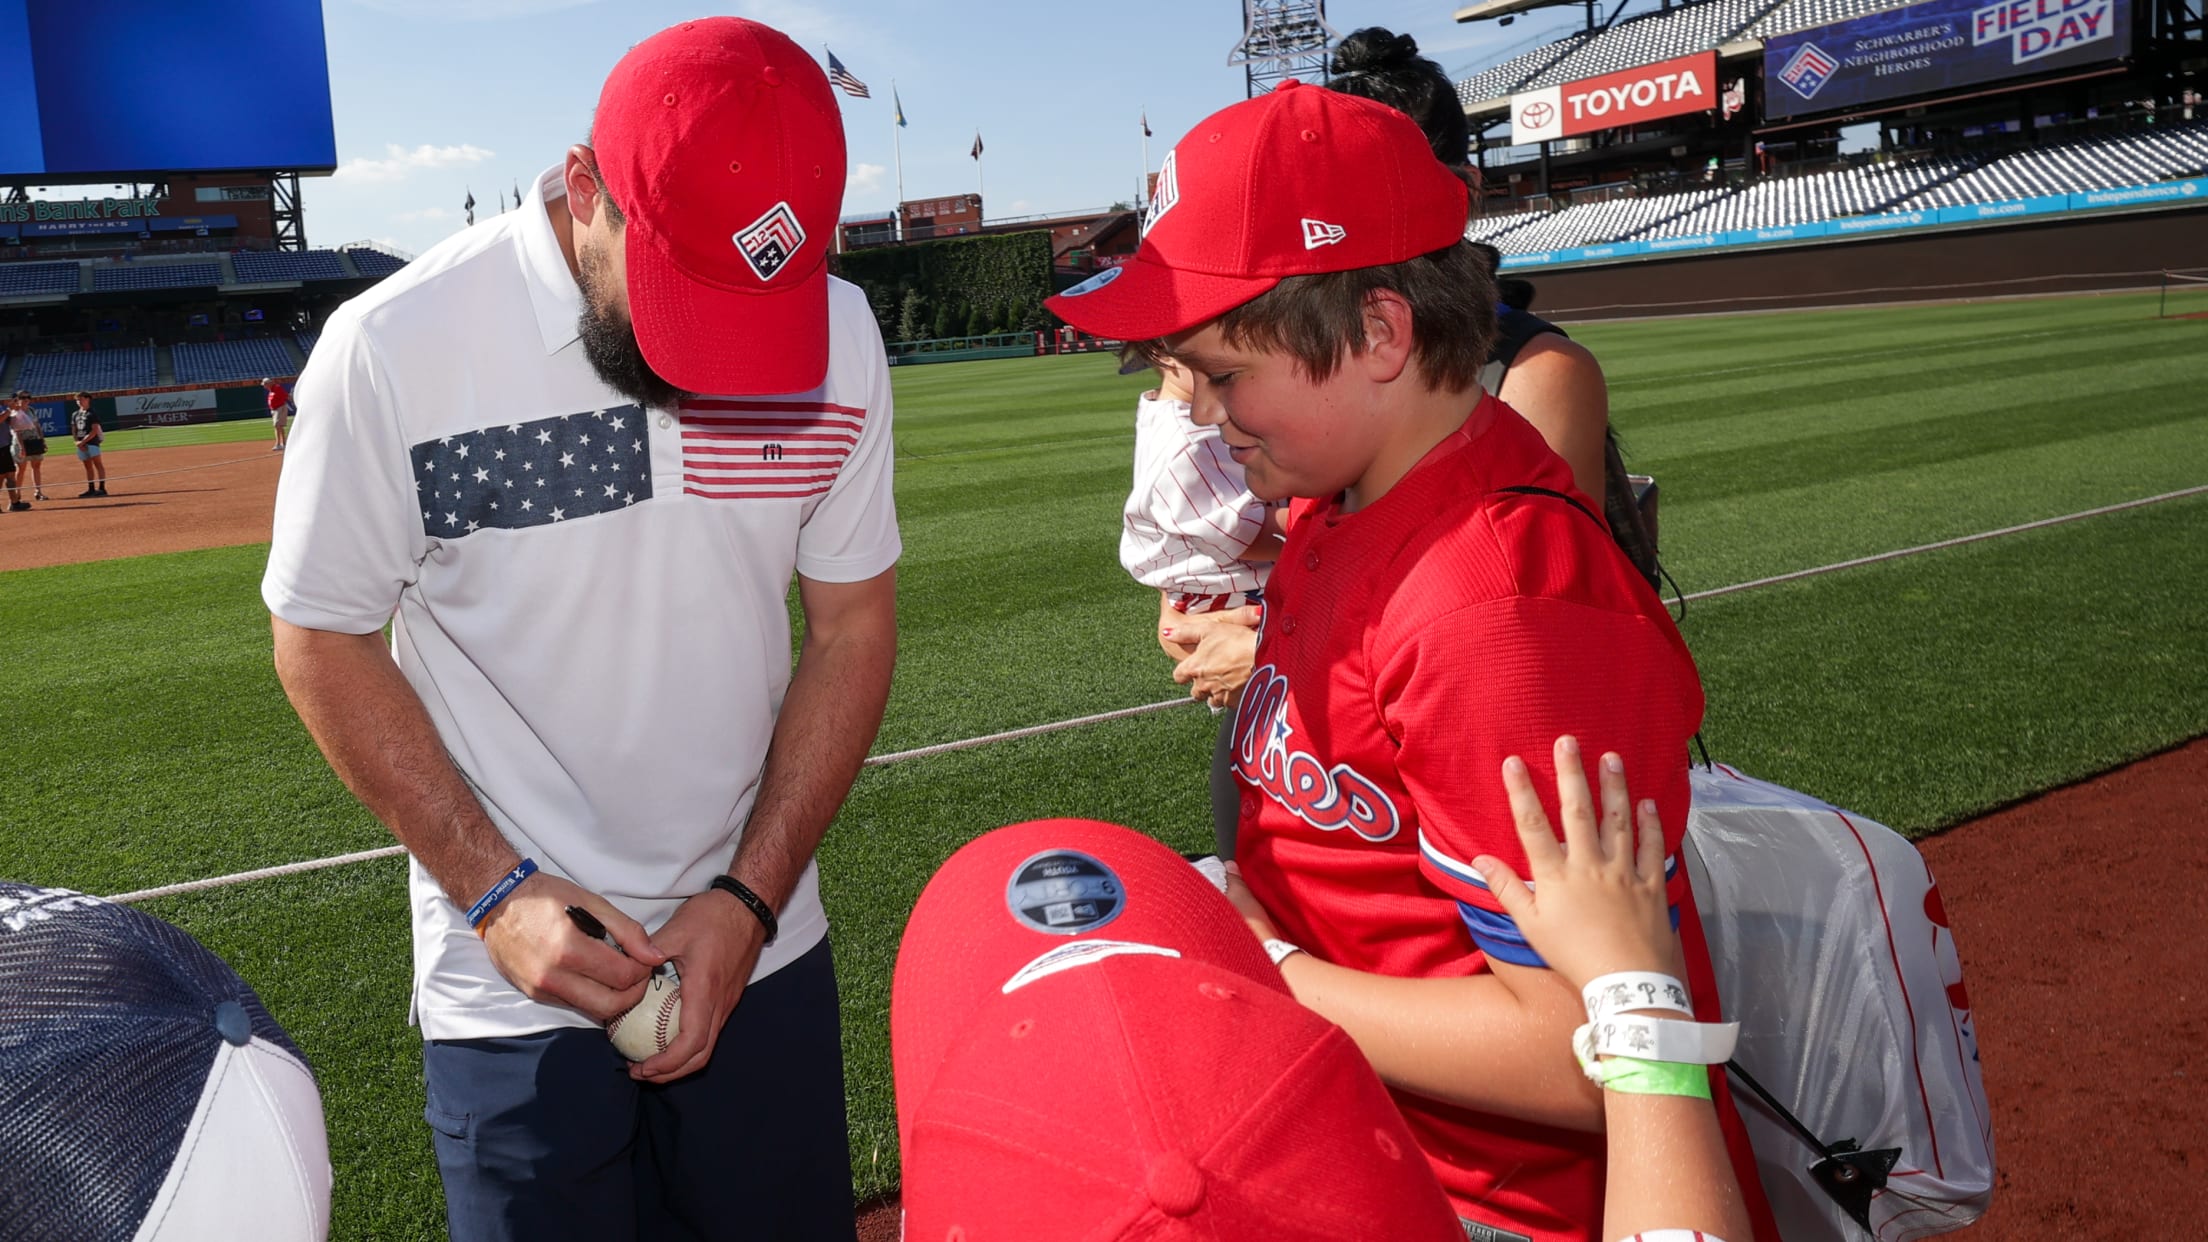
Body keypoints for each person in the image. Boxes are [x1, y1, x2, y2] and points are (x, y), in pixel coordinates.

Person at [1042, 83, 1773, 1242]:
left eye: (1227, 375)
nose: (1207, 415)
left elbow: (1594, 1055)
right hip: (1373, 1140)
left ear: (1381, 333)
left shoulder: (1499, 614)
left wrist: (1257, 967)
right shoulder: (1350, 499)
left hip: (1489, 1205)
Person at [261, 18, 897, 1242]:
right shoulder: (394, 349)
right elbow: (319, 637)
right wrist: (494, 892)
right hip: (511, 998)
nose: (710, 362)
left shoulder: (841, 335)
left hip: (760, 952)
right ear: (585, 186)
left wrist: (749, 900)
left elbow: (853, 628)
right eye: (682, 299)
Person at [1117, 351, 1282, 857]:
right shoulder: (1185, 443)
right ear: (1167, 356)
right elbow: (1253, 535)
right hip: (1235, 598)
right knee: (1272, 736)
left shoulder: (1168, 412)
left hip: (1216, 598)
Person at [5, 391, 38, 509]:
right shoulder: (11, 412)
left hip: (27, 441)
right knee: (15, 471)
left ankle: (17, 500)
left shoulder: (29, 410)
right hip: (15, 444)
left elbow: (34, 425)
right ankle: (15, 498)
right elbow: (17, 431)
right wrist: (22, 447)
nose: (25, 399)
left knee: (11, 474)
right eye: (22, 398)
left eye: (27, 397)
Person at [70, 392, 106, 498]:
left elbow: (94, 430)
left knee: (98, 464)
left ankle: (102, 488)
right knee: (88, 466)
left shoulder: (92, 413)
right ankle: (91, 488)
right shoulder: (75, 414)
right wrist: (77, 442)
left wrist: (83, 442)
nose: (79, 401)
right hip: (81, 444)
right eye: (77, 400)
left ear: (87, 399)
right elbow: (74, 430)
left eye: (81, 399)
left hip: (92, 442)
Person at [262, 377, 293, 451]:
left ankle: (278, 444)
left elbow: (286, 395)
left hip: (280, 408)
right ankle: (284, 443)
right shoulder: (271, 390)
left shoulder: (277, 388)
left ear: (269, 384)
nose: (264, 386)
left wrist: (293, 400)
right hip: (274, 410)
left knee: (277, 425)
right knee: (279, 426)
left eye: (265, 384)